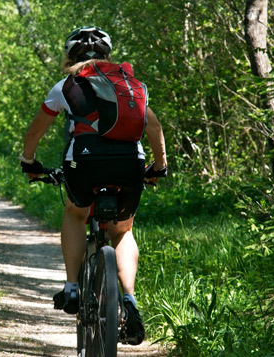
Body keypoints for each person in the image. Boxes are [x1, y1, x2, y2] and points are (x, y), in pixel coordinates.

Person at [19, 27, 167, 345]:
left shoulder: (65, 87)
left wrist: (29, 164)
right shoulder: (131, 86)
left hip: (83, 164)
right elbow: (153, 127)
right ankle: (129, 300)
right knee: (123, 231)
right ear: (107, 56)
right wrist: (158, 167)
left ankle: (72, 287)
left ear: (70, 57)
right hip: (130, 163)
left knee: (75, 212)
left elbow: (34, 134)